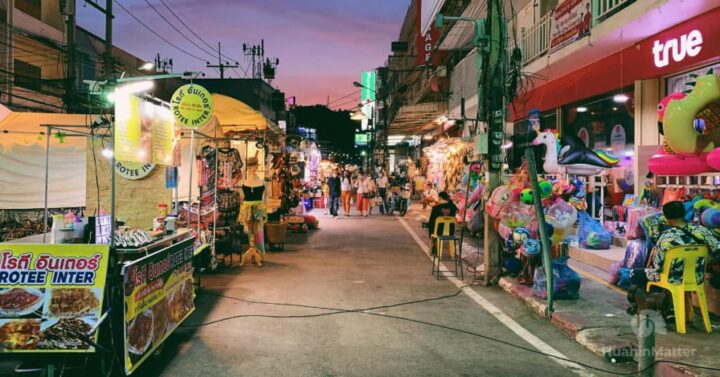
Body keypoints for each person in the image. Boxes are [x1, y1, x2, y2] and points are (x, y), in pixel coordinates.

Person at [627, 201, 720, 318]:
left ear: (666, 218)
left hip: (672, 278)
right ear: (683, 213)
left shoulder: (666, 237)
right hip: (697, 277)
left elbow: (658, 266)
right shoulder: (702, 231)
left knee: (634, 274)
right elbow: (717, 249)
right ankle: (670, 308)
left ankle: (646, 306)